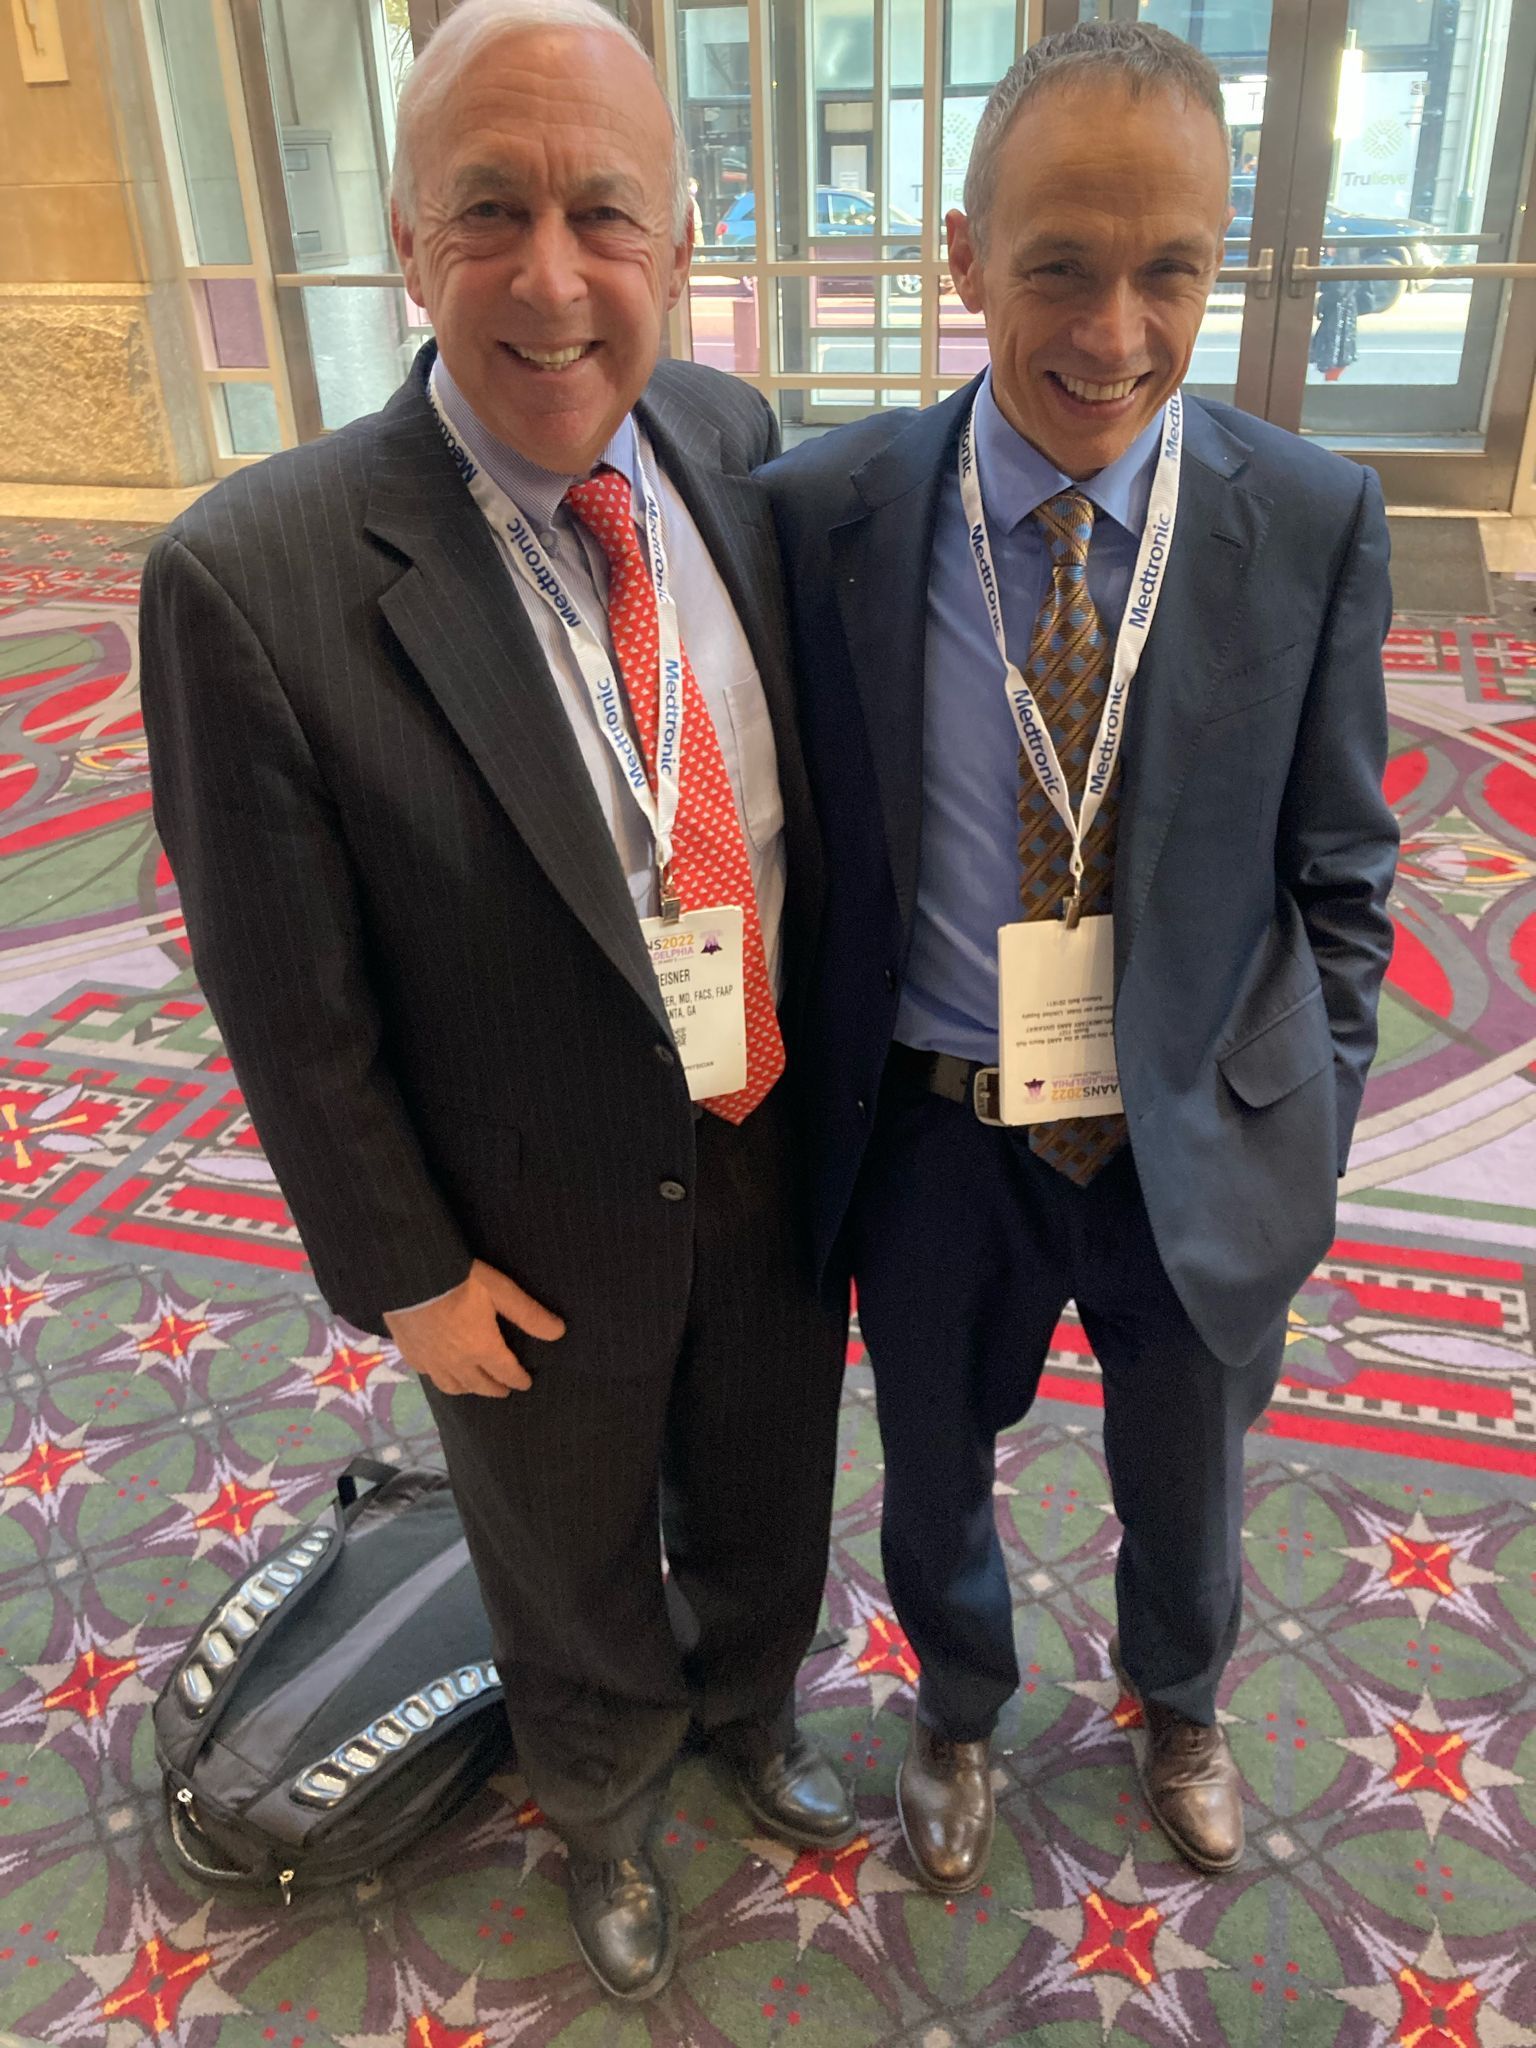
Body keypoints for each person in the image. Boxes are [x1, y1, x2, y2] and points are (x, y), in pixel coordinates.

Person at [138, 0, 853, 2003]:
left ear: (681, 243)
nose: (551, 277)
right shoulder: (253, 580)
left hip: (765, 1120)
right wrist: (406, 1273)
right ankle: (604, 1795)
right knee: (562, 1537)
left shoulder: (730, 440)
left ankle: (748, 1705)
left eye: (603, 214)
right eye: (490, 211)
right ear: (405, 242)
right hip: (516, 1219)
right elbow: (288, 1000)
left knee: (770, 1467)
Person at [761, 20, 1397, 1892]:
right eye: (1058, 265)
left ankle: (1179, 1698)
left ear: (1222, 264)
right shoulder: (828, 516)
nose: (1115, 332)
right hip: (937, 1124)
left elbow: (1345, 867)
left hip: (1196, 1121)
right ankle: (958, 1707)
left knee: (1188, 1472)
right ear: (963, 256)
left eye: (1170, 271)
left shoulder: (1307, 520)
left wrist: (1310, 1115)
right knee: (933, 1460)